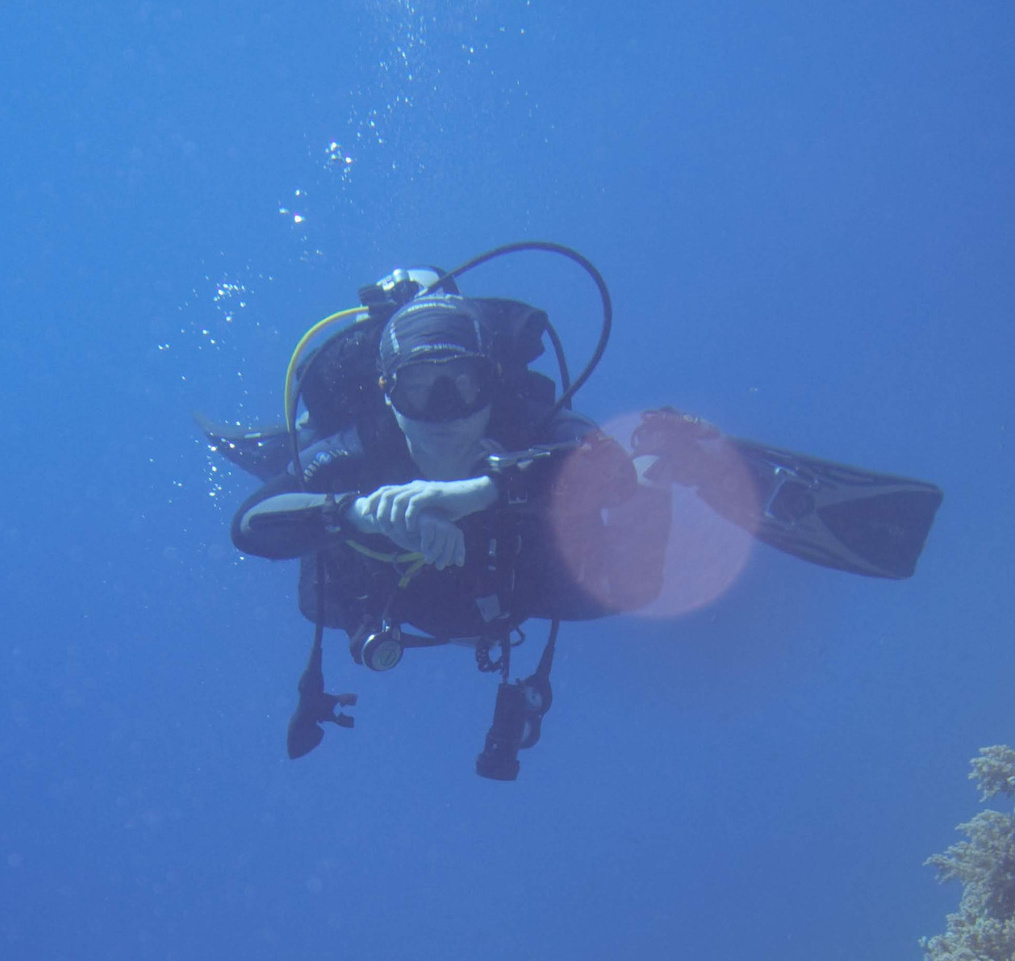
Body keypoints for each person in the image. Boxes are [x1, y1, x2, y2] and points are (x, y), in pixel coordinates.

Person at [212, 251, 943, 779]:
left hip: (516, 571)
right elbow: (253, 524)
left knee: (631, 498)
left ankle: (694, 460)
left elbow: (600, 465)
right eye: (418, 390)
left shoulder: (528, 420)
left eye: (460, 385)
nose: (441, 415)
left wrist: (486, 489)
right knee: (310, 542)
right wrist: (360, 512)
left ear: (491, 383)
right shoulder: (357, 448)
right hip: (411, 602)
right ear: (387, 394)